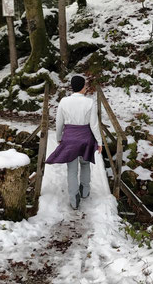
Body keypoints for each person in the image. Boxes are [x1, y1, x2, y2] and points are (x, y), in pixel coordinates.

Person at [46, 75, 103, 210]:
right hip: (85, 138)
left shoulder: (64, 102)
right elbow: (94, 125)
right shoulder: (89, 102)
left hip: (70, 138)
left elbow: (59, 123)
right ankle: (85, 190)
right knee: (85, 164)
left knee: (71, 169)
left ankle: (73, 199)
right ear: (83, 87)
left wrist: (59, 137)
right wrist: (99, 142)